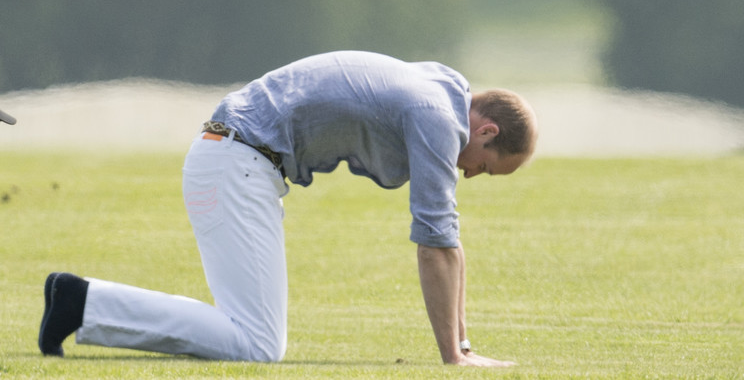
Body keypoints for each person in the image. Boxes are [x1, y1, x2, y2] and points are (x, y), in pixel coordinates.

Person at [38, 51, 538, 367]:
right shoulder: (436, 117)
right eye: (486, 168)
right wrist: (454, 357)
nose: (471, 175)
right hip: (237, 164)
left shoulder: (437, 91)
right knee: (256, 344)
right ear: (487, 131)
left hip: (235, 160)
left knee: (253, 336)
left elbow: (448, 239)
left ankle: (81, 303)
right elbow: (436, 243)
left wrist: (463, 345)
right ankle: (80, 302)